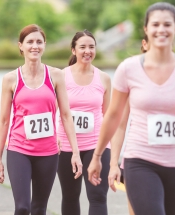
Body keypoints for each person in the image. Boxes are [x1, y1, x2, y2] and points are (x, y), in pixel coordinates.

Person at [88, 2, 175, 215]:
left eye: (167, 24)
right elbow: (114, 117)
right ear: (146, 29)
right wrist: (99, 157)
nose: (161, 29)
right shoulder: (128, 69)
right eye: (155, 24)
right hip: (140, 160)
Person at [0, 24, 83, 215]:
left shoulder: (56, 75)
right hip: (19, 150)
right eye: (30, 42)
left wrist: (75, 152)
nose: (35, 46)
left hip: (48, 152)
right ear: (21, 46)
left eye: (39, 42)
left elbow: (66, 115)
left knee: (39, 208)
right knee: (23, 207)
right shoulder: (10, 79)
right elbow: (3, 120)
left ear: (44, 45)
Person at [116, 37, 175, 215]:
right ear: (144, 44)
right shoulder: (132, 75)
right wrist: (112, 162)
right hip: (140, 159)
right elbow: (120, 124)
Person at [56, 30, 111, 215]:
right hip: (66, 147)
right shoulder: (61, 76)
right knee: (70, 196)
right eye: (82, 47)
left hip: (97, 146)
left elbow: (109, 116)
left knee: (98, 196)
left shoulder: (104, 78)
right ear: (73, 50)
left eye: (91, 47)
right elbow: (53, 111)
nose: (87, 51)